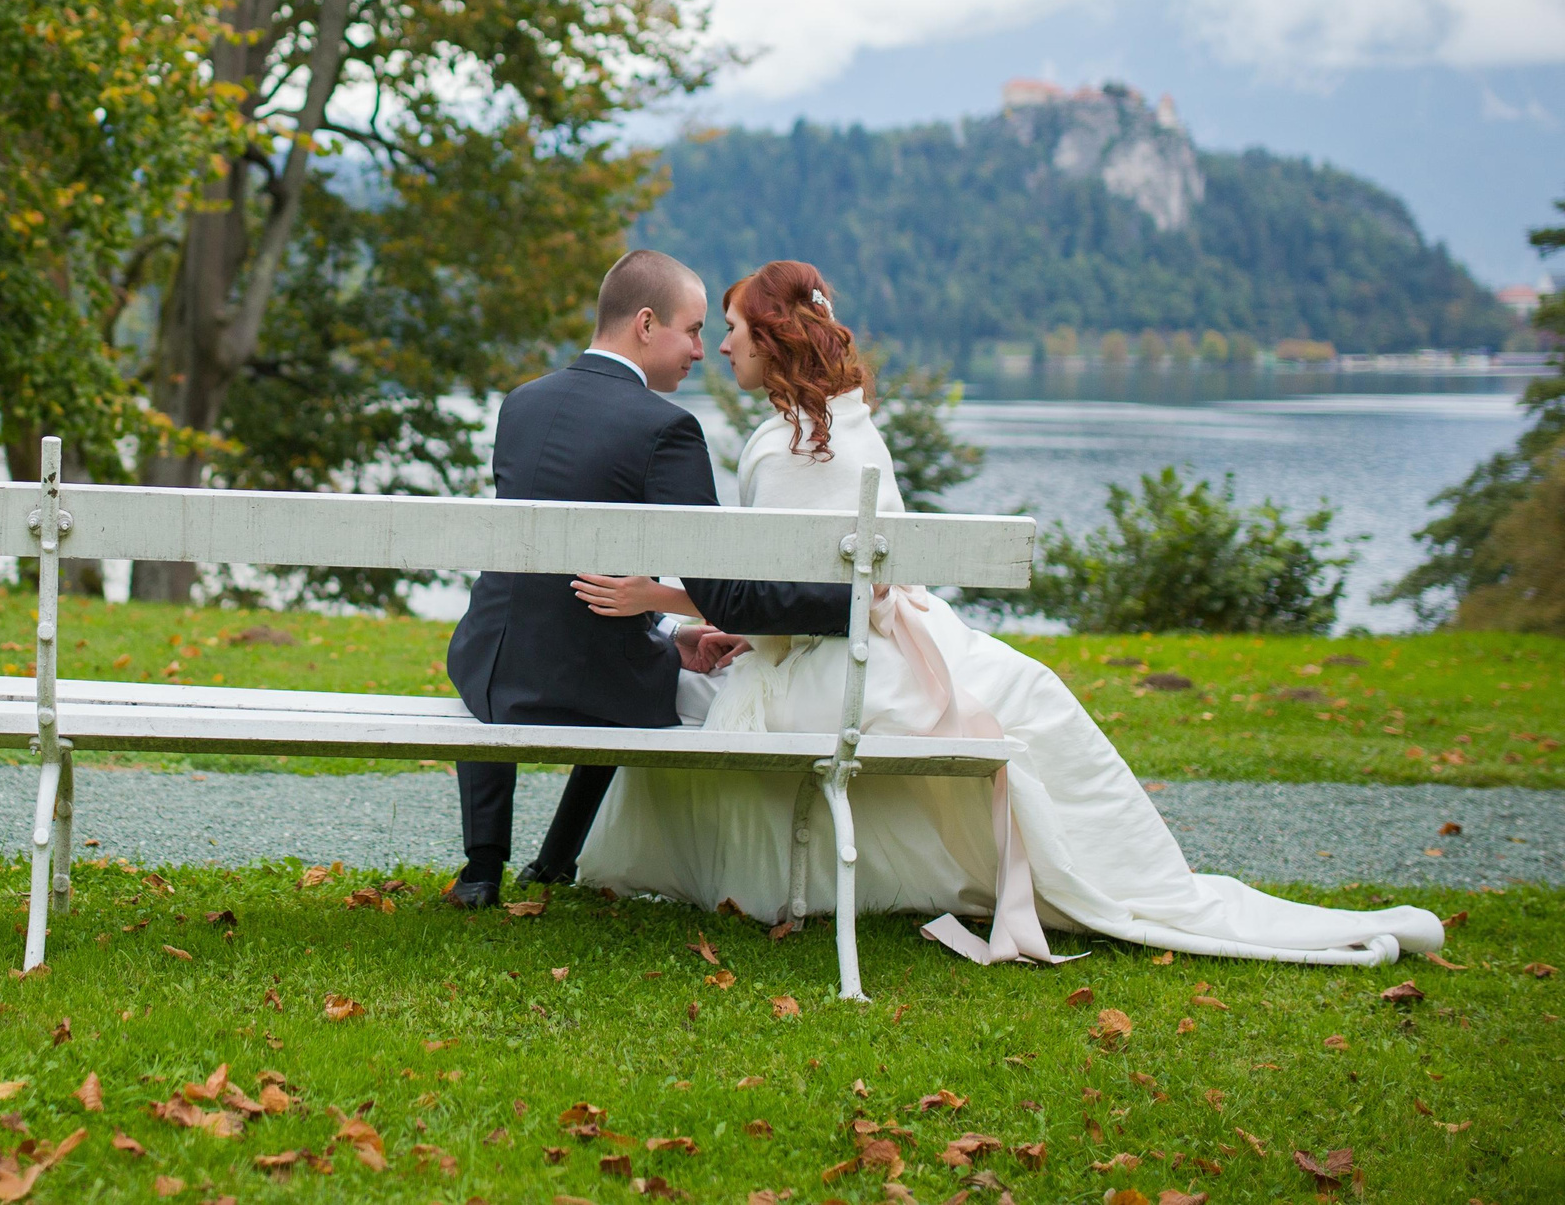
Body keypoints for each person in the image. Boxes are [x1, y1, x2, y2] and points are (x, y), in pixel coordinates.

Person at [568, 259, 1445, 968]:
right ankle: (1125, 872)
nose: (721, 345)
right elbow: (805, 596)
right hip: (896, 643)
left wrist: (663, 600)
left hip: (838, 662)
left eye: (731, 327)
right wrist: (719, 613)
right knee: (1025, 694)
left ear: (770, 337)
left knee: (700, 696)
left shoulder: (779, 447)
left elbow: (779, 611)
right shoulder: (852, 428)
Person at [441, 249, 863, 910]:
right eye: (692, 330)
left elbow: (536, 582)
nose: (700, 350)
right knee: (674, 680)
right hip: (595, 683)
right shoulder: (666, 428)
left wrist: (665, 627)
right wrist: (850, 603)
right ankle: (557, 859)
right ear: (645, 324)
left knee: (627, 654)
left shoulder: (521, 404)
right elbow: (724, 593)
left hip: (487, 666)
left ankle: (483, 869)